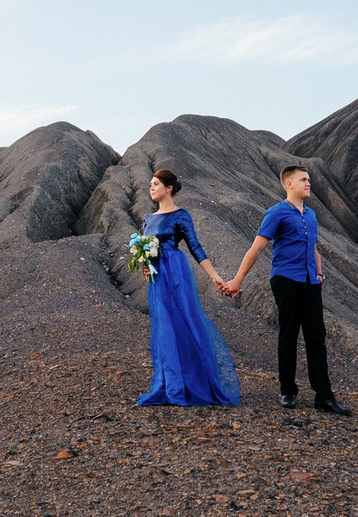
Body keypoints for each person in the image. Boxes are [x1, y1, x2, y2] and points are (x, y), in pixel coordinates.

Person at [222, 165, 347, 415]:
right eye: (303, 179)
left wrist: (320, 274)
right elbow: (257, 247)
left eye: (309, 179)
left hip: (311, 281)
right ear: (289, 184)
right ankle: (288, 391)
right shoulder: (276, 213)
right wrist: (238, 280)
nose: (308, 183)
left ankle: (324, 396)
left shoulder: (310, 215)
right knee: (289, 333)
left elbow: (313, 248)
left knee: (316, 336)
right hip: (286, 278)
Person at [134, 168, 241, 408]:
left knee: (186, 322)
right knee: (164, 327)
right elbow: (146, 249)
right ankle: (169, 383)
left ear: (168, 188)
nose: (151, 188)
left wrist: (214, 276)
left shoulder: (181, 216)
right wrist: (145, 263)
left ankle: (194, 381)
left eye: (155, 184)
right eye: (150, 184)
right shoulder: (148, 219)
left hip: (176, 272)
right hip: (157, 277)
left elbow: (195, 247)